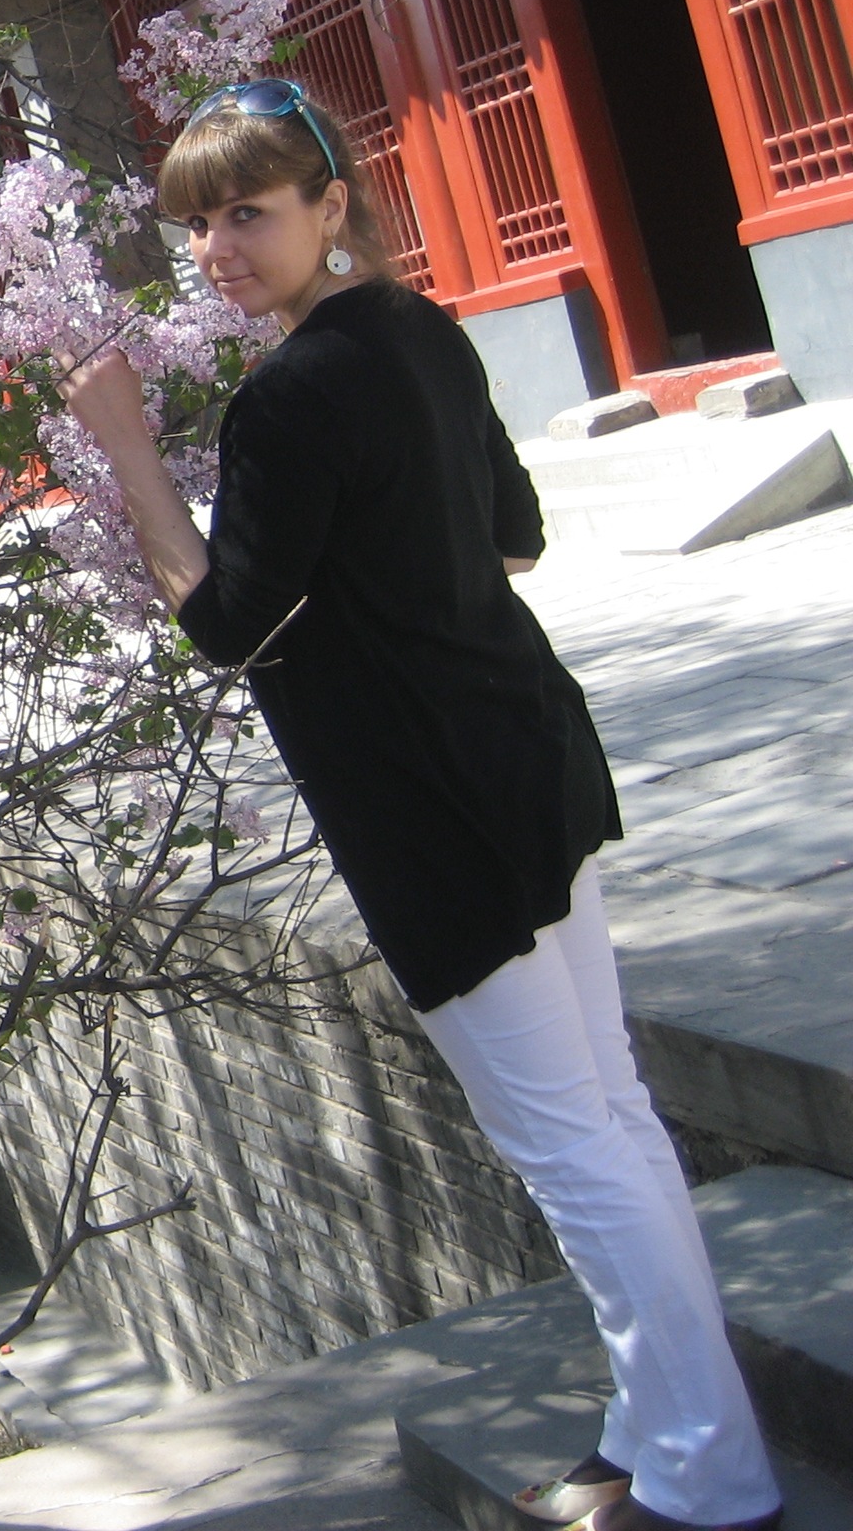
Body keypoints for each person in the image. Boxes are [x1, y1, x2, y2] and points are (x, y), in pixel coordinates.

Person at [58, 79, 784, 1531]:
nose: (216, 249)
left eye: (248, 213)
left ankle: (712, 1477)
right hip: (528, 753)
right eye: (198, 223)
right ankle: (655, 1431)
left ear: (330, 205)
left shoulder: (289, 393)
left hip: (436, 810)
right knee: (611, 1118)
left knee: (574, 1150)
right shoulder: (422, 331)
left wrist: (129, 451)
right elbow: (514, 534)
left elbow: (232, 627)